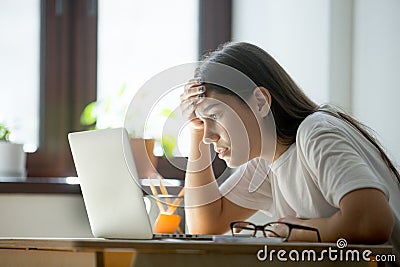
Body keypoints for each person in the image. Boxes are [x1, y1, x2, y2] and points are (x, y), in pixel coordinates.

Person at [180, 42, 399, 261]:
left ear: (260, 101)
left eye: (215, 116)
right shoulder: (268, 161)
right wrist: (195, 131)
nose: (209, 136)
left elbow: (372, 221)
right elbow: (204, 225)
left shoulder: (315, 132)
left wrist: (295, 232)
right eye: (202, 121)